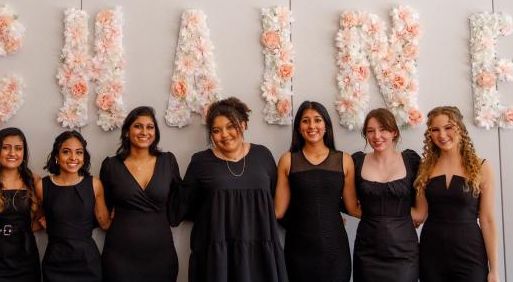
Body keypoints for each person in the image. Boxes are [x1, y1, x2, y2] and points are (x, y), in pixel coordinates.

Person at [175, 97, 288, 282]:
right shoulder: (200, 162)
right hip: (218, 255)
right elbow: (185, 205)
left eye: (230, 126)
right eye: (216, 131)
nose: (225, 135)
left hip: (260, 251)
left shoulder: (263, 155)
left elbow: (278, 202)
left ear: (243, 125)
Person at [274, 101, 360, 282]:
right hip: (298, 249)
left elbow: (353, 208)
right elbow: (278, 211)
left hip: (335, 248)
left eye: (317, 120)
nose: (312, 126)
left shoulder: (344, 160)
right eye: (305, 121)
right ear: (298, 128)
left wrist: (394, 213)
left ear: (326, 126)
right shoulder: (288, 160)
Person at [414, 106, 499, 282]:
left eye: (448, 127)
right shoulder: (425, 169)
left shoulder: (481, 167)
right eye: (435, 130)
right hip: (432, 254)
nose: (442, 135)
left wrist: (494, 269)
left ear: (460, 128)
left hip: (470, 254)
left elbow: (487, 220)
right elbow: (419, 214)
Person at [99, 106, 181, 282]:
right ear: (127, 132)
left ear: (155, 132)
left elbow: (179, 200)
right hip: (119, 255)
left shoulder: (168, 161)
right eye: (138, 126)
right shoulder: (110, 166)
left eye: (150, 127)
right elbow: (104, 204)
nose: (144, 131)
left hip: (161, 254)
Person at [352, 108, 421, 282]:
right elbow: (349, 203)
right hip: (367, 252)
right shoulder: (357, 161)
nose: (377, 136)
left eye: (383, 129)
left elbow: (421, 210)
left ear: (394, 132)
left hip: (404, 253)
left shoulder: (411, 161)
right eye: (370, 131)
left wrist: (399, 216)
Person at [36, 130, 111, 282]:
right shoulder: (42, 186)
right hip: (55, 261)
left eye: (79, 152)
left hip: (87, 261)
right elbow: (38, 218)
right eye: (66, 152)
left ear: (84, 157)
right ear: (56, 156)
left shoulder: (94, 184)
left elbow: (105, 223)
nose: (73, 158)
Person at [0, 127, 41, 282]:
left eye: (18, 148)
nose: (12, 153)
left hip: (26, 261)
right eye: (6, 148)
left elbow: (40, 220)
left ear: (24, 152)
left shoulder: (34, 181)